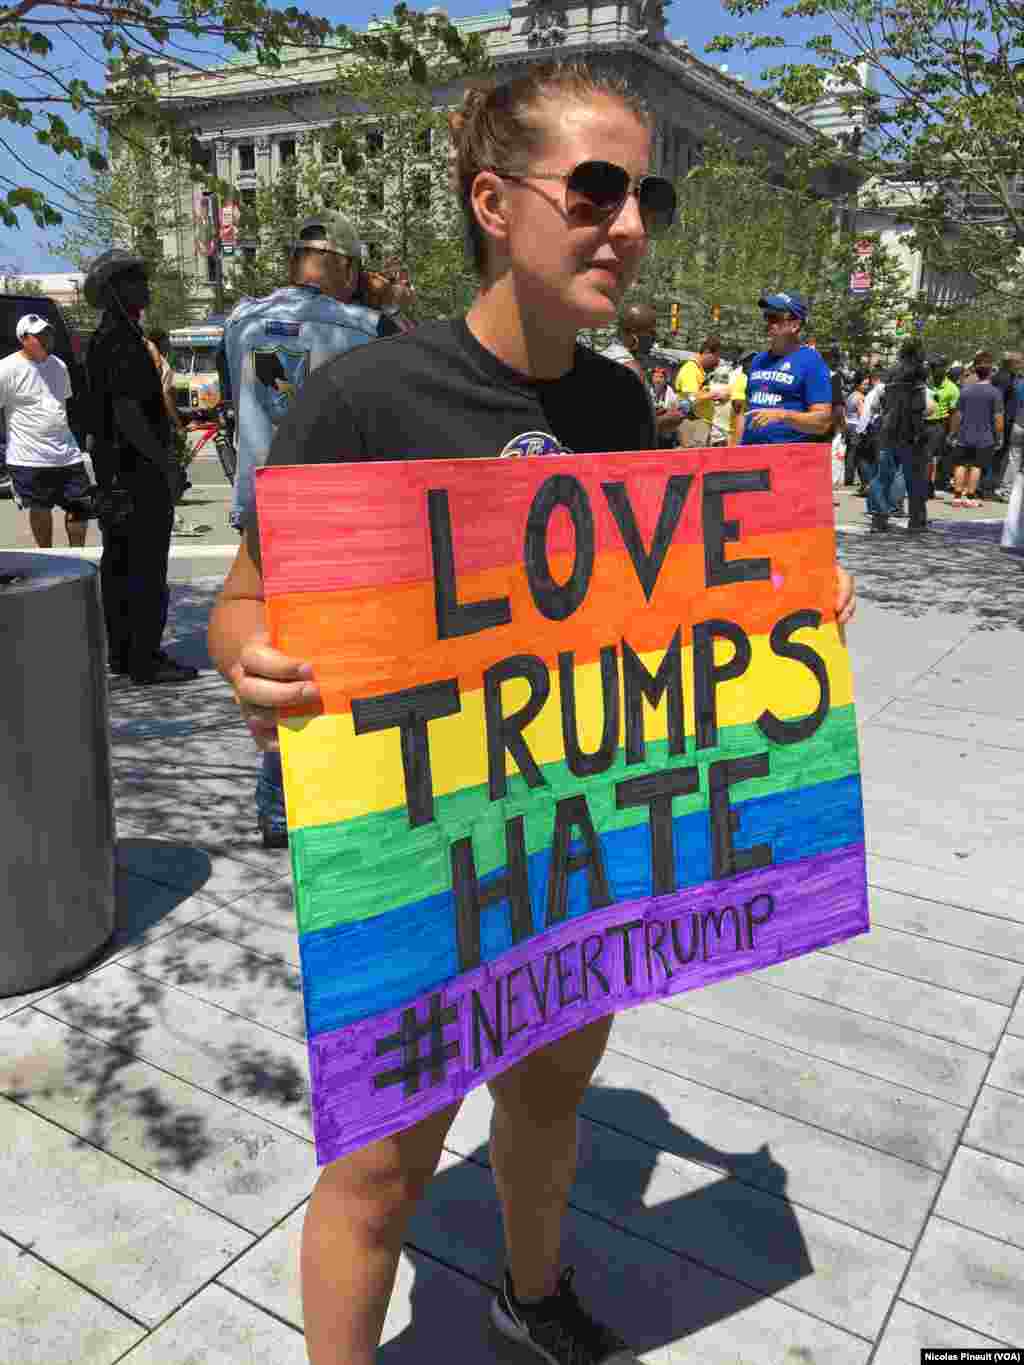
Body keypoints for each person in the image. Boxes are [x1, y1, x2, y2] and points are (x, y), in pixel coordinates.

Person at [207, 63, 856, 1365]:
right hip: (419, 860)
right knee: (381, 1177)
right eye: (597, 190)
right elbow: (244, 594)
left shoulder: (622, 411)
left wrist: (780, 615)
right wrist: (246, 657)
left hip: (572, 849)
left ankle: (530, 1292)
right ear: (496, 203)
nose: (626, 224)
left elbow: (649, 614)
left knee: (551, 1102)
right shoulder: (365, 402)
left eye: (645, 195)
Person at [220, 211, 387, 849]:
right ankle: (323, 792)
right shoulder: (365, 328)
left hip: (259, 504)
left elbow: (237, 404)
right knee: (326, 659)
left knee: (270, 653)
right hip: (335, 512)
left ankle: (277, 804)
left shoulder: (241, 320)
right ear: (343, 267)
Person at [84, 250, 198, 686]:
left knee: (120, 565)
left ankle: (123, 653)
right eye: (137, 280)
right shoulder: (122, 343)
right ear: (116, 289)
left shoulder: (106, 339)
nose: (146, 289)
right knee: (145, 567)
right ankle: (145, 657)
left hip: (117, 476)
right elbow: (129, 413)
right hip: (136, 478)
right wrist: (165, 464)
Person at [0, 312, 91, 549]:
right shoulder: (6, 369)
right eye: (39, 335)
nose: (46, 339)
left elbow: (63, 405)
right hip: (29, 457)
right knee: (40, 510)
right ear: (24, 338)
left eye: (48, 334)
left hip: (66, 453)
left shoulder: (59, 366)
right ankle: (48, 557)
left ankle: (78, 557)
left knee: (80, 506)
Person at [740, 291, 834, 446]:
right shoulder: (758, 360)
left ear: (795, 325)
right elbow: (745, 414)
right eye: (766, 316)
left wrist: (782, 415)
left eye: (774, 317)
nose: (768, 322)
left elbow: (822, 422)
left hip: (787, 461)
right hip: (750, 457)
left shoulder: (811, 361)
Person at [867, 339, 928, 533]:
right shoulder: (920, 374)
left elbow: (875, 404)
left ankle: (879, 519)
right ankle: (916, 521)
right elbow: (925, 406)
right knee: (915, 479)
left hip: (888, 431)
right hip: (912, 432)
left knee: (883, 477)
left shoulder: (889, 374)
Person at [950, 350, 1004, 508]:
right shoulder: (995, 393)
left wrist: (952, 433)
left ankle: (957, 496)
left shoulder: (965, 391)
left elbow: (957, 415)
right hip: (984, 437)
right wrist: (999, 437)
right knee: (976, 466)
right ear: (990, 372)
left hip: (964, 435)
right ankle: (971, 496)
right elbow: (998, 418)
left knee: (960, 464)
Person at [674, 334, 721, 447]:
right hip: (692, 425)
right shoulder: (690, 369)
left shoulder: (699, 371)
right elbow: (692, 398)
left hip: (699, 425)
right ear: (707, 352)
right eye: (716, 356)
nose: (717, 361)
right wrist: (713, 394)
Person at [924, 355, 958, 494]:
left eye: (935, 367)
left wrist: (952, 433)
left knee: (930, 457)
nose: (932, 370)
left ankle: (928, 486)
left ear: (944, 369)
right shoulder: (925, 383)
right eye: (931, 367)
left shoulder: (952, 389)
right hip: (920, 423)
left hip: (937, 425)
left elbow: (954, 413)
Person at [600, 300, 656, 380]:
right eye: (650, 332)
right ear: (634, 336)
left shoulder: (604, 354)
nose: (653, 338)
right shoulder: (632, 371)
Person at [647, 362, 684, 446]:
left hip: (665, 426)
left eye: (661, 377)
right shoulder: (647, 390)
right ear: (652, 378)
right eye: (655, 377)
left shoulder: (669, 391)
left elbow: (675, 408)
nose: (658, 380)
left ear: (665, 379)